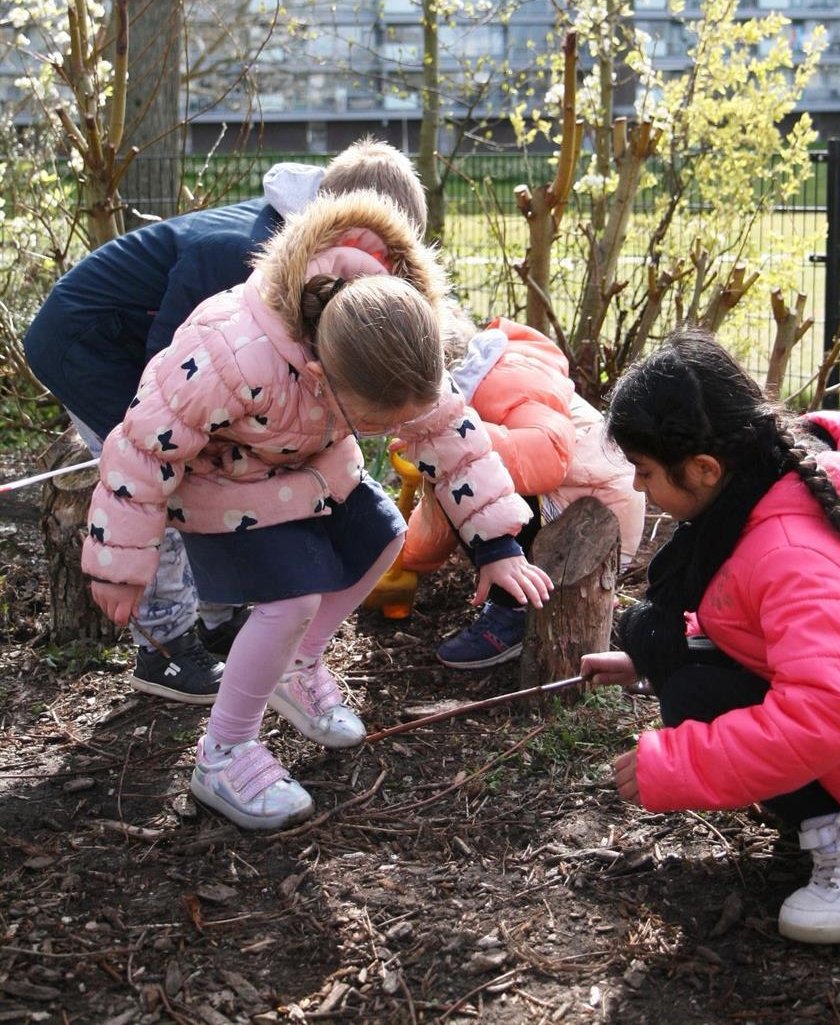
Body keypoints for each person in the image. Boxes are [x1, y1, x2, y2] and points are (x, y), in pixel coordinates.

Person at [81, 191, 552, 830]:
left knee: (385, 535)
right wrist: (120, 564)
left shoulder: (393, 334)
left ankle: (295, 664)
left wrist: (497, 545)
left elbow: (449, 435)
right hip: (219, 486)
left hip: (307, 469)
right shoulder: (229, 351)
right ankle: (223, 752)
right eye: (372, 422)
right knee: (293, 597)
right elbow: (141, 450)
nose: (387, 433)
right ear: (317, 368)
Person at [580, 327, 840, 945]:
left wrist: (676, 764)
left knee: (695, 699)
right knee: (689, 684)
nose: (637, 488)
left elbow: (818, 713)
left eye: (645, 471)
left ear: (704, 469)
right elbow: (758, 632)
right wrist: (644, 661)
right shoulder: (755, 501)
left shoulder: (791, 552)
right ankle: (828, 810)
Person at [24, 136, 428, 704]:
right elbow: (163, 388)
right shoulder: (244, 258)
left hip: (163, 357)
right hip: (91, 342)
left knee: (220, 464)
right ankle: (163, 647)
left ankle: (217, 617)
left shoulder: (319, 272)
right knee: (169, 471)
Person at [396, 313, 646, 668]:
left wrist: (473, 442)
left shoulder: (497, 389)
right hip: (593, 512)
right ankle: (537, 593)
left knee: (470, 480)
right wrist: (404, 557)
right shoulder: (506, 368)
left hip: (590, 526)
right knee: (463, 477)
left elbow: (548, 457)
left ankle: (513, 608)